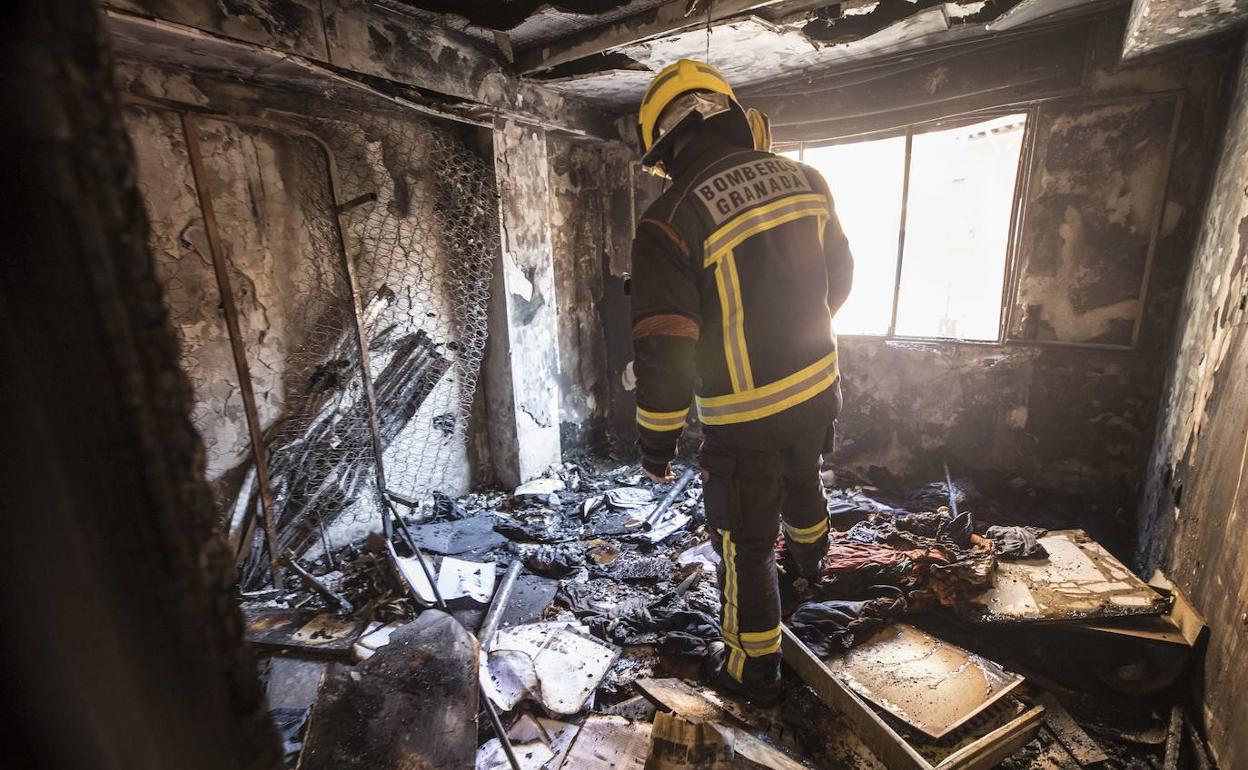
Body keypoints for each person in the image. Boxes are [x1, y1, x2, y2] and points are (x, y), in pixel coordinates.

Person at [629, 59, 853, 704]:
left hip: (744, 414)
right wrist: (797, 337)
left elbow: (667, 346)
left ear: (666, 148)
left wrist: (657, 442)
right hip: (817, 384)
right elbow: (838, 280)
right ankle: (812, 565)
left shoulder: (669, 219)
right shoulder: (807, 179)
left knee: (745, 540)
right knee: (805, 471)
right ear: (730, 117)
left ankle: (753, 667)